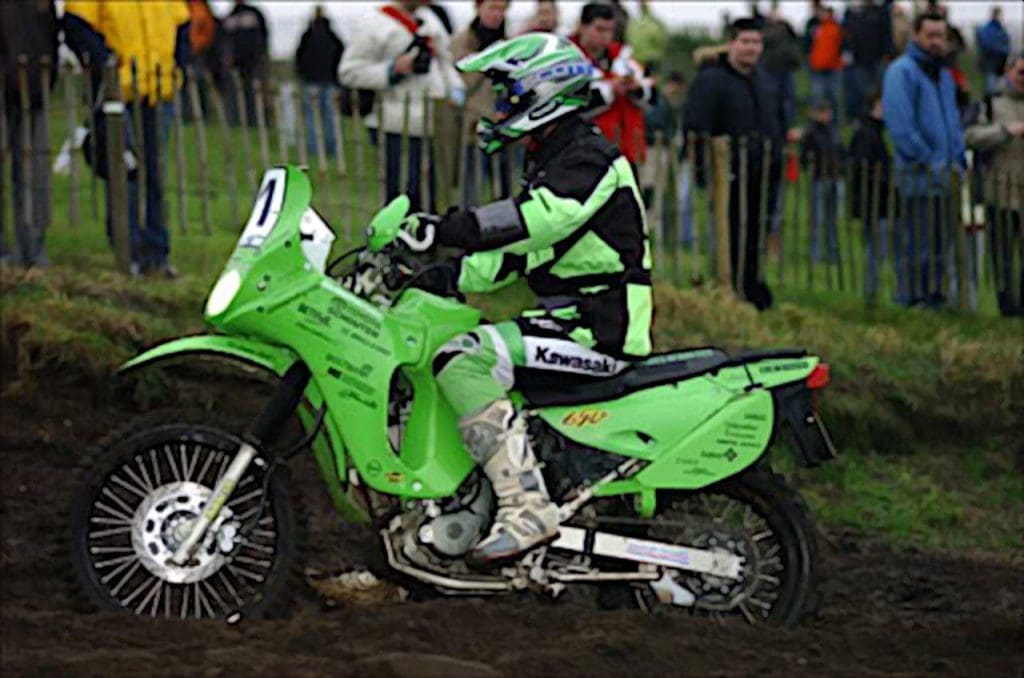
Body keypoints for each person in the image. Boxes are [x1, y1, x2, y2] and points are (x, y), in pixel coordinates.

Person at [398, 34, 652, 566]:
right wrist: (442, 274)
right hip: (564, 322)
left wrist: (447, 227)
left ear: (545, 92)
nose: (499, 106)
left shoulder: (591, 160)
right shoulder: (556, 159)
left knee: (465, 359)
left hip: (599, 328)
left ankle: (526, 507)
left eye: (508, 94)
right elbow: (513, 256)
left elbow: (534, 220)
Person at [63, 0, 191, 278]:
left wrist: (178, 64)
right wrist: (105, 59)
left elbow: (182, 23)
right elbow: (75, 24)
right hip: (118, 92)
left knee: (155, 174)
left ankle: (157, 255)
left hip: (159, 90)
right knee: (124, 173)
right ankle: (128, 252)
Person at [685, 18, 782, 310]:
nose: (751, 48)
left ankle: (752, 281)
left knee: (758, 228)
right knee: (731, 230)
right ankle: (730, 283)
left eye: (756, 42)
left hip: (762, 170)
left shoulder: (765, 81)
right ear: (731, 44)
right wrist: (703, 170)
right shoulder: (712, 80)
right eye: (745, 42)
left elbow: (777, 120)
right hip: (727, 171)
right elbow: (696, 126)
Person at [339, 1, 460, 212]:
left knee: (430, 193)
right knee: (402, 195)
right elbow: (349, 71)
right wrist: (392, 69)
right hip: (393, 122)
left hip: (432, 121)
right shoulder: (374, 24)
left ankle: (425, 239)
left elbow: (444, 61)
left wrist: (456, 91)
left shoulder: (430, 19)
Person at [882, 10, 965, 307]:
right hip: (917, 176)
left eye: (940, 36)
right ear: (916, 35)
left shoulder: (942, 75)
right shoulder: (901, 72)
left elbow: (952, 122)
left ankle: (934, 295)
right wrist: (929, 160)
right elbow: (901, 126)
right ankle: (910, 298)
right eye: (929, 35)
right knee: (915, 242)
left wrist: (957, 157)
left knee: (939, 243)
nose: (935, 42)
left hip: (946, 176)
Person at [965, 52, 1024, 316]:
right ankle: (1006, 308)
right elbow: (970, 136)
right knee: (1002, 257)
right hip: (999, 192)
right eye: (1021, 73)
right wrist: (1004, 131)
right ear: (1009, 71)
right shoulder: (990, 103)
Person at [0, 0, 58, 269]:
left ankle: (33, 249)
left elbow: (50, 35)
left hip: (32, 89)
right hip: (7, 85)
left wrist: (46, 79)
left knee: (32, 175)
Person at [572, 2, 656, 167]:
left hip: (626, 151)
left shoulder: (624, 58)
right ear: (582, 27)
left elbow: (652, 94)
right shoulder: (568, 59)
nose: (606, 36)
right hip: (584, 154)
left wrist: (635, 89)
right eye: (600, 29)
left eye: (610, 30)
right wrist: (610, 91)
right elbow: (574, 104)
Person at [451, 0, 511, 206]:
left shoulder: (510, 45)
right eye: (492, 8)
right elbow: (457, 85)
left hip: (505, 127)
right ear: (478, 7)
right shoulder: (460, 44)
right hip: (473, 126)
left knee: (506, 191)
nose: (497, 14)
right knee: (472, 190)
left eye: (502, 9)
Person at [848, 91, 892, 301]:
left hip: (876, 201)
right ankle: (871, 292)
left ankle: (874, 291)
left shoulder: (877, 131)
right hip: (874, 202)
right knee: (876, 250)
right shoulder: (867, 133)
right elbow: (863, 169)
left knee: (878, 249)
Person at [295, 5, 345, 157]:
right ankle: (332, 148)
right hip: (329, 81)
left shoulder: (307, 36)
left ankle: (313, 148)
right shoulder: (333, 36)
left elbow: (299, 58)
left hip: (311, 81)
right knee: (330, 116)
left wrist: (303, 75)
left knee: (311, 116)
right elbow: (341, 56)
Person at [801, 99, 842, 264]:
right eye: (822, 111)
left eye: (827, 111)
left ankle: (833, 253)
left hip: (834, 177)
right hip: (818, 178)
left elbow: (841, 151)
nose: (825, 115)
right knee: (817, 218)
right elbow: (805, 156)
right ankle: (815, 254)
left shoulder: (834, 131)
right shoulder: (811, 133)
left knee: (832, 219)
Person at [842, 0, 893, 122]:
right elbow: (847, 34)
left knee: (879, 90)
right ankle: (865, 117)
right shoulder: (852, 13)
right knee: (863, 91)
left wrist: (888, 53)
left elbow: (886, 34)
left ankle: (881, 116)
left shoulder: (880, 12)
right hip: (860, 60)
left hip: (878, 58)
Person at [221, 0, 269, 126]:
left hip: (251, 63)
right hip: (238, 64)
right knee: (239, 94)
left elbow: (263, 37)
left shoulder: (248, 15)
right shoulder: (232, 17)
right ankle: (238, 122)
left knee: (250, 94)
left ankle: (251, 122)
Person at [807, 5, 843, 127]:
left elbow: (842, 45)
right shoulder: (813, 26)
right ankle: (816, 123)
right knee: (817, 97)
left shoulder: (836, 27)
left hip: (833, 68)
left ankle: (834, 124)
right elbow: (807, 44)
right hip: (817, 68)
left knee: (834, 97)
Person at [976, 7, 1012, 96]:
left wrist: (1005, 50)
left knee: (1003, 86)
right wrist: (1002, 49)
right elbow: (987, 44)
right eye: (999, 14)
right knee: (991, 88)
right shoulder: (987, 28)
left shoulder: (1001, 29)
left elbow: (1006, 42)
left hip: (1001, 61)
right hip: (990, 61)